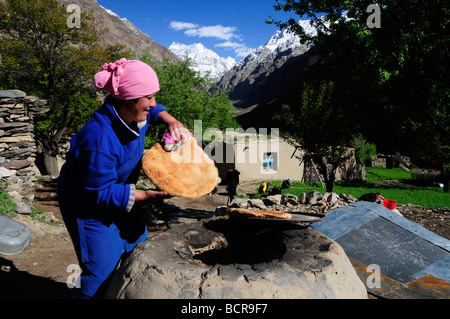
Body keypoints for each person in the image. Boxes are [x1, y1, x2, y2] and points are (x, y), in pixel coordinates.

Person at [57, 58, 187, 299]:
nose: (153, 103)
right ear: (127, 100)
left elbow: (157, 111)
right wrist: (146, 195)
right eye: (148, 98)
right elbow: (99, 191)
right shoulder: (98, 139)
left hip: (120, 190)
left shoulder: (137, 113)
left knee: (137, 246)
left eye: (154, 96)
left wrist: (172, 122)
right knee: (100, 269)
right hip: (88, 202)